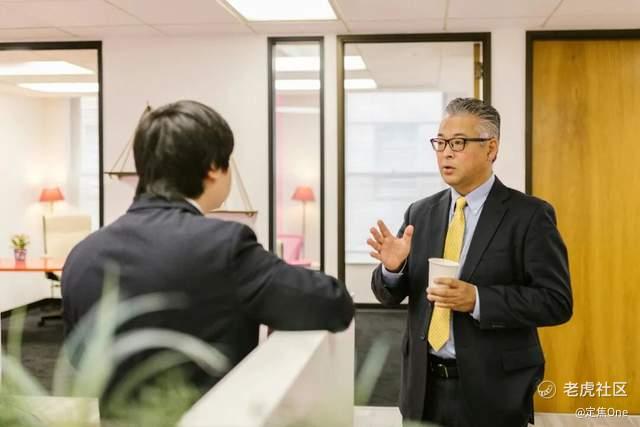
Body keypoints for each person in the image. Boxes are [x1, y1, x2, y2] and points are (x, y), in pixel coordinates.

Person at [62, 100, 354, 406]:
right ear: (214, 168)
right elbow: (332, 303)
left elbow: (78, 357)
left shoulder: (82, 255)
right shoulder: (224, 246)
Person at [368, 98, 572, 427]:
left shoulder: (530, 215)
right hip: (422, 390)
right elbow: (390, 295)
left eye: (458, 143)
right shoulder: (420, 213)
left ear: (491, 148)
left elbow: (556, 302)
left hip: (494, 392)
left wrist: (478, 299)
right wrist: (393, 269)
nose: (446, 153)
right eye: (440, 142)